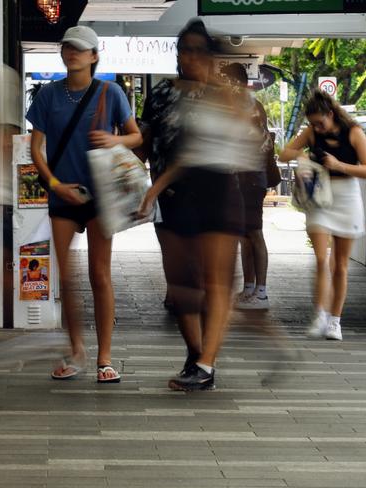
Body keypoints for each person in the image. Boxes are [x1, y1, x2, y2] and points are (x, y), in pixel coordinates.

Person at [138, 19, 250, 391]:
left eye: (198, 50)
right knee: (182, 283)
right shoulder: (161, 93)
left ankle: (205, 363)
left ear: (211, 55)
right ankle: (196, 352)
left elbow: (241, 140)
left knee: (216, 281)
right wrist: (115, 148)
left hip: (217, 189)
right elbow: (144, 141)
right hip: (171, 196)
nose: (190, 57)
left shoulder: (228, 94)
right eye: (184, 49)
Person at [27, 25, 142, 382]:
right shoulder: (47, 95)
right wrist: (56, 185)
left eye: (80, 49)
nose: (72, 53)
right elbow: (36, 148)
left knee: (100, 274)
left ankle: (104, 358)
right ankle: (76, 349)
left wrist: (113, 139)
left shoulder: (111, 92)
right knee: (65, 277)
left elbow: (136, 136)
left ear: (94, 55)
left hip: (101, 195)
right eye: (68, 47)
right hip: (63, 192)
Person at [279, 91, 366, 341]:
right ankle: (319, 315)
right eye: (312, 123)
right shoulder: (311, 132)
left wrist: (339, 165)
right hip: (319, 196)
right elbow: (283, 154)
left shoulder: (353, 132)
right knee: (321, 259)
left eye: (320, 122)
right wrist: (303, 155)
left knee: (340, 265)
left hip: (347, 196)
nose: (317, 128)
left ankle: (335, 320)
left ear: (331, 115)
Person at [221, 63, 271, 310]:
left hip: (251, 178)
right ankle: (249, 287)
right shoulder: (241, 105)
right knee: (244, 234)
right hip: (241, 178)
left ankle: (261, 290)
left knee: (254, 233)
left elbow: (259, 143)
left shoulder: (249, 106)